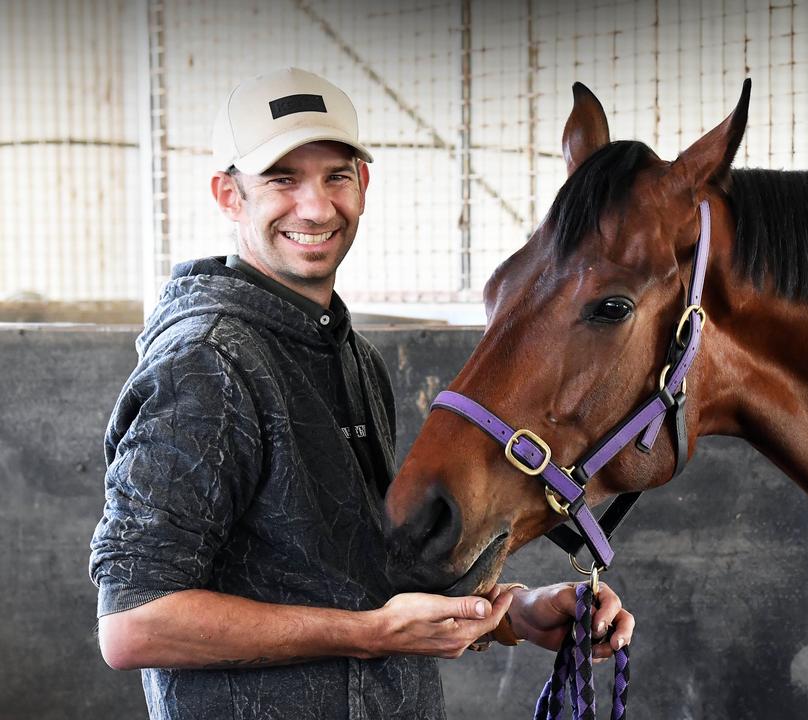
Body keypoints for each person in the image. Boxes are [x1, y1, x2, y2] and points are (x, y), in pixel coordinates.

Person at [88, 67, 633, 720]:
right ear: (229, 196)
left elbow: (362, 580)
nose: (315, 208)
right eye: (282, 179)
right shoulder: (207, 362)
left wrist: (515, 613)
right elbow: (133, 624)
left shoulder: (352, 357)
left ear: (363, 185)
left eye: (335, 176)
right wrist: (369, 634)